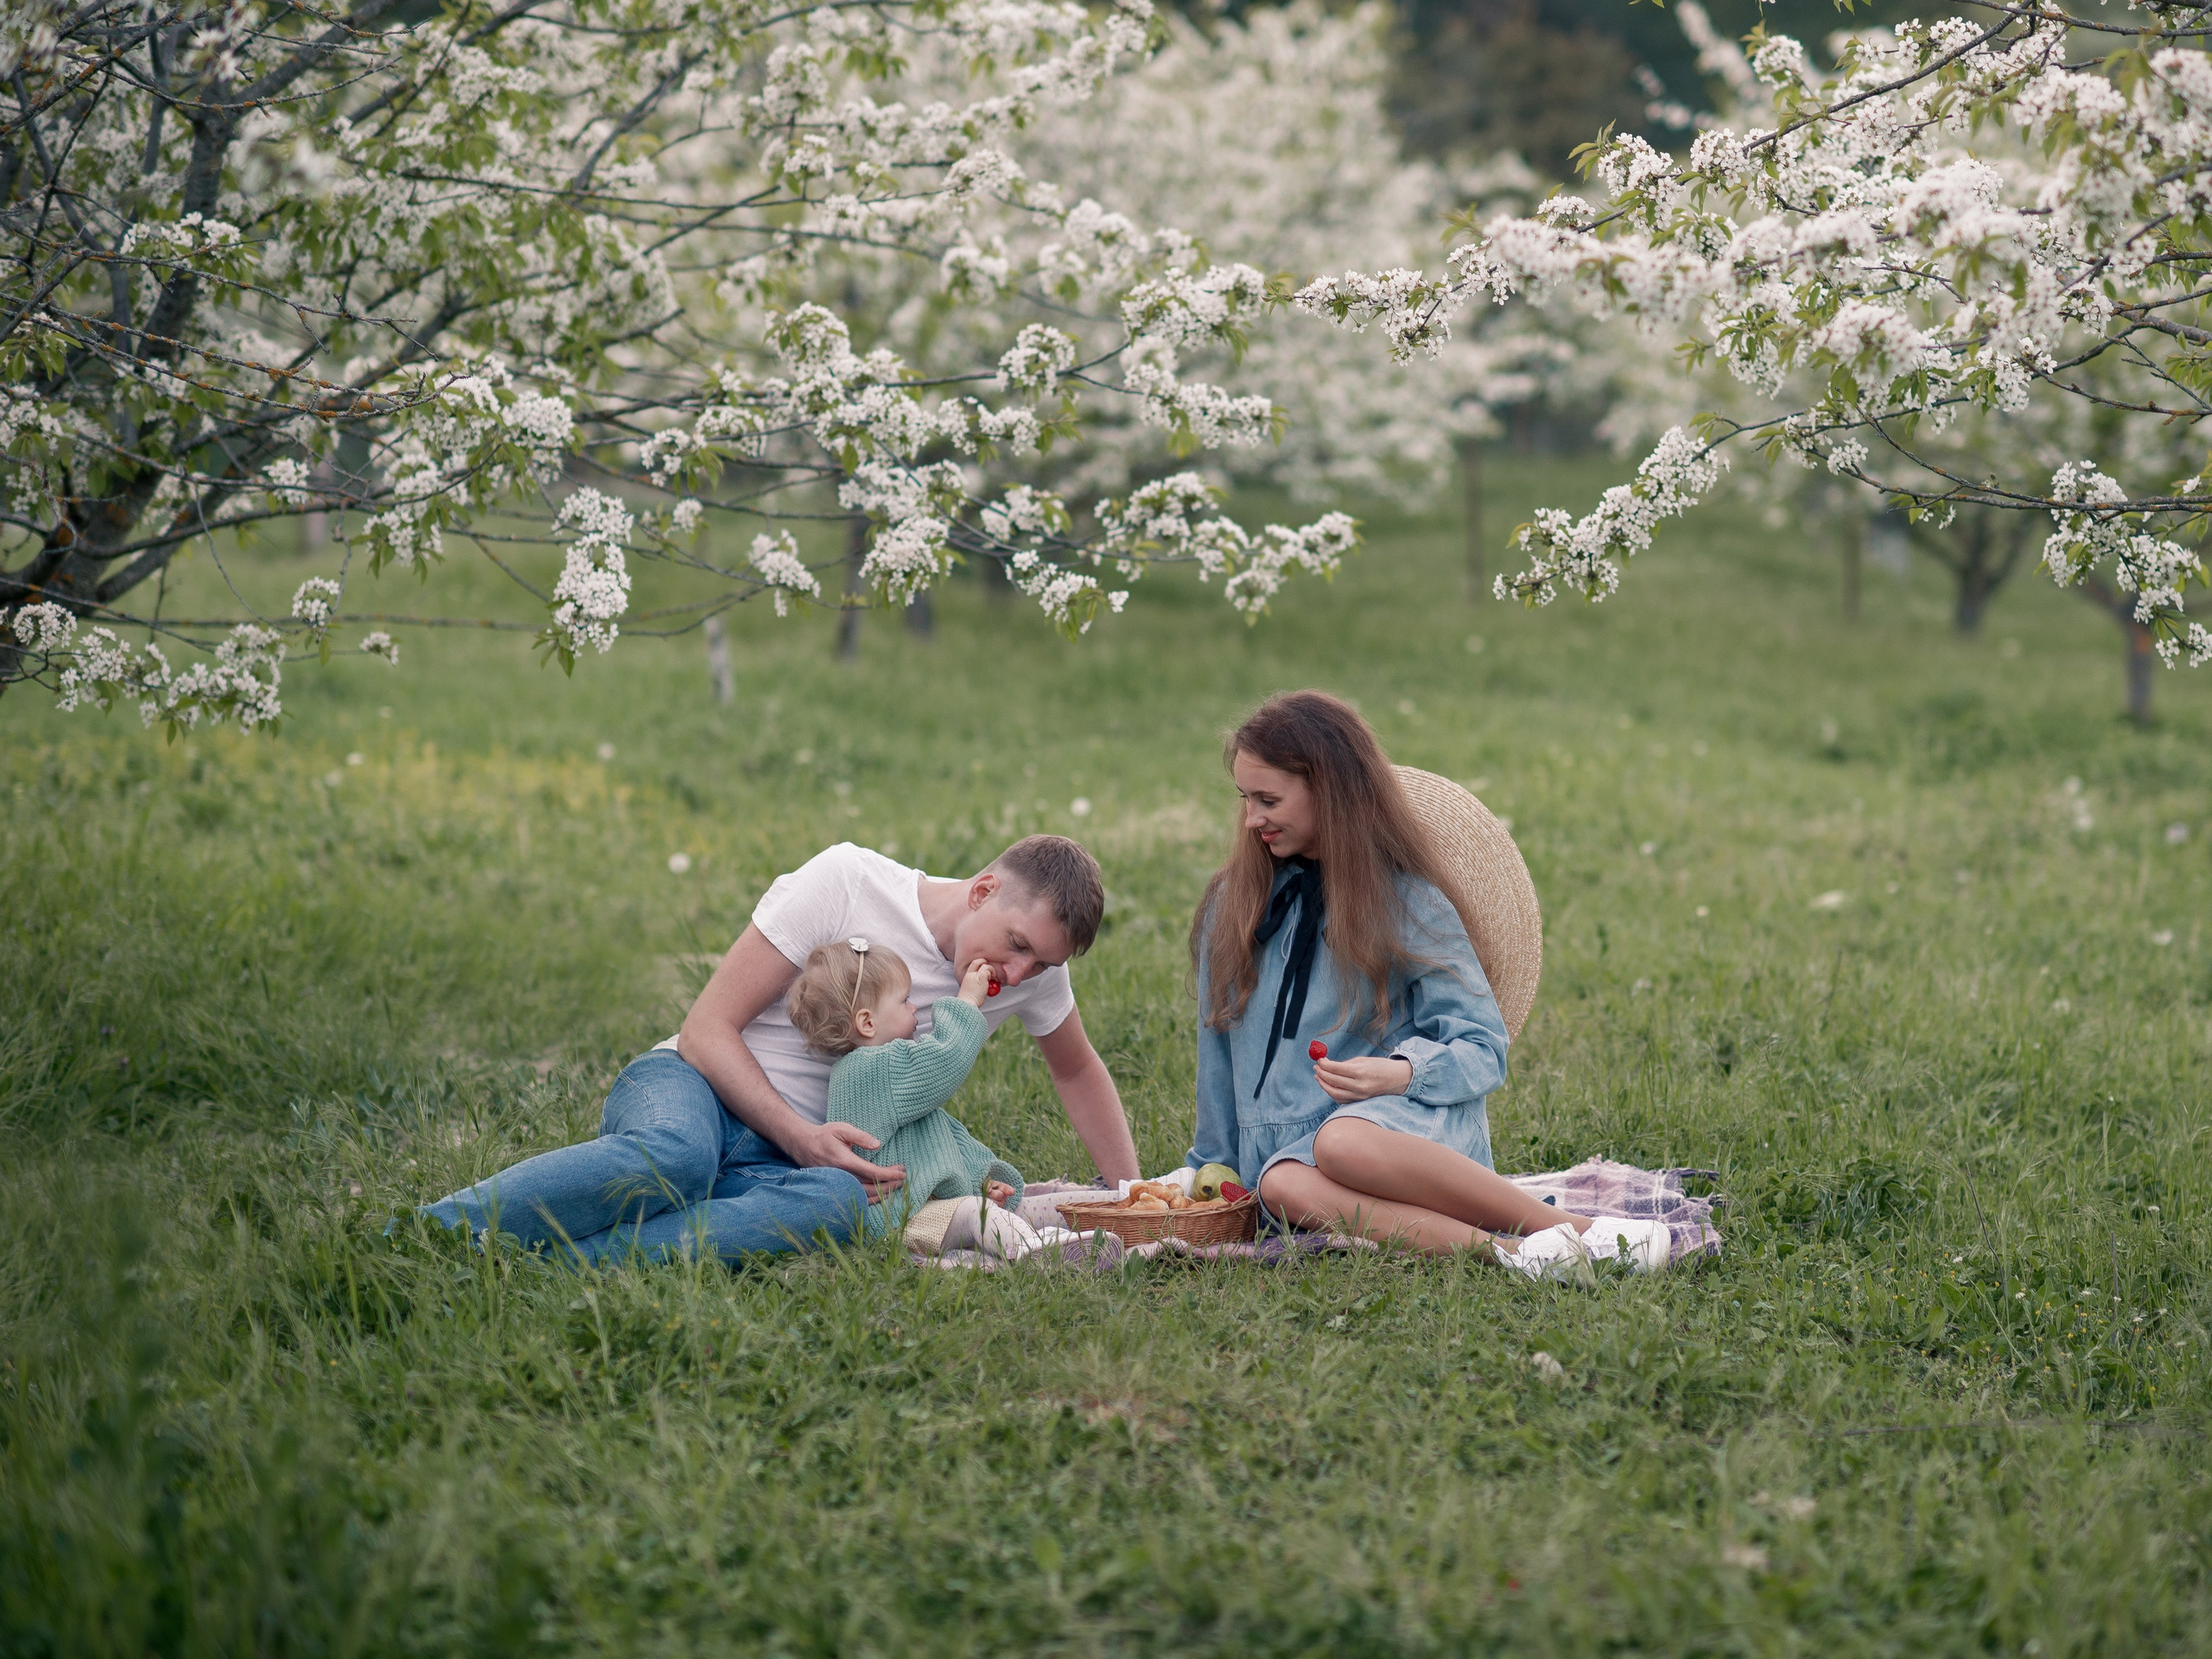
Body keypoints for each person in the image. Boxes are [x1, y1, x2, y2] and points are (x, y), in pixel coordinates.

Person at [416, 835, 1139, 1264]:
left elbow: (1077, 1069)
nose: (1020, 975)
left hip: (783, 1166)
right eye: (1018, 947)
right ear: (983, 891)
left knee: (835, 1204)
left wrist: (1132, 1200)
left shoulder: (1022, 977)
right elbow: (707, 1030)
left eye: (1042, 965)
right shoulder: (847, 881)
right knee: (680, 1156)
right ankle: (430, 1234)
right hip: (692, 1088)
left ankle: (571, 1266)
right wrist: (800, 1135)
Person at [1186, 691, 1671, 1276]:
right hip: (1295, 1165)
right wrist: (1208, 1167)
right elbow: (1216, 1049)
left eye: (1268, 800)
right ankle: (1517, 1256)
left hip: (1407, 1127)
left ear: (1331, 792)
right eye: (1245, 799)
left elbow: (1484, 1050)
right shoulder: (1232, 903)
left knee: (1340, 1144)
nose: (1251, 819)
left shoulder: (1408, 903)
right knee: (1281, 1185)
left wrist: (1401, 1072)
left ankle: (1586, 1234)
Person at [787, 938, 1048, 1262]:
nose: (914, 1008)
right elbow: (944, 1061)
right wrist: (966, 1002)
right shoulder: (870, 1069)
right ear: (867, 1023)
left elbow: (938, 1139)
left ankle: (1088, 1218)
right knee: (976, 1214)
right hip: (898, 1219)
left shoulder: (879, 1072)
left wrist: (979, 1177)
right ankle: (1041, 1253)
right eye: (904, 1000)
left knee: (1010, 1207)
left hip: (924, 1209)